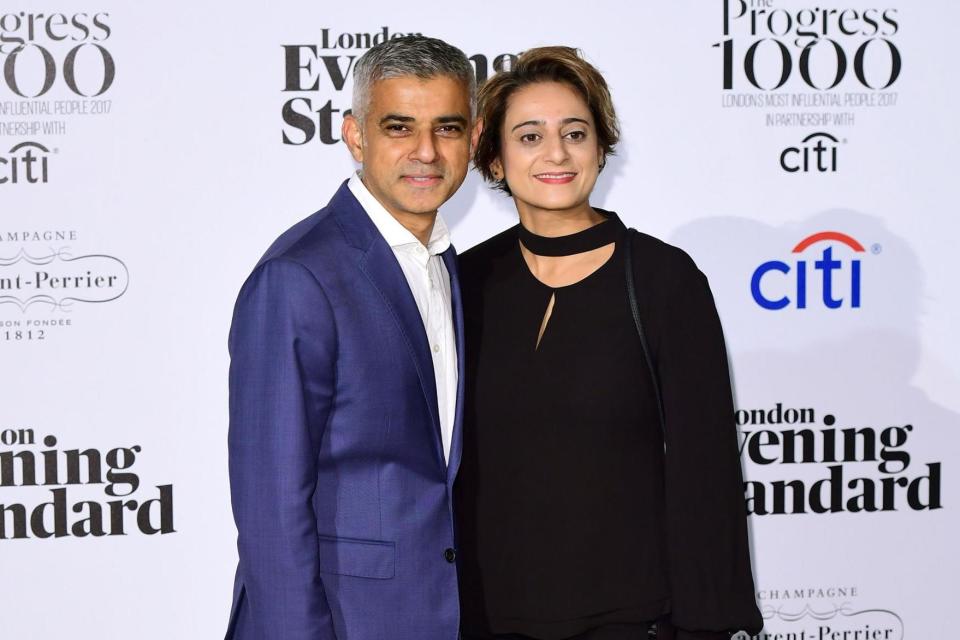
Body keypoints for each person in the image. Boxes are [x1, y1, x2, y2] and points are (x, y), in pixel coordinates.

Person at [454, 47, 763, 640]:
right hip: (487, 616)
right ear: (493, 159)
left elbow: (707, 470)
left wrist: (708, 626)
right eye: (529, 136)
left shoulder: (662, 279)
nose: (556, 153)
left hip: (632, 618)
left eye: (576, 132)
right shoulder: (465, 282)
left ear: (600, 149)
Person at [226, 35, 479, 640]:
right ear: (355, 136)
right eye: (399, 127)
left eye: (447, 128)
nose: (426, 152)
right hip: (339, 621)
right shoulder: (299, 276)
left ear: (473, 139)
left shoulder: (441, 262)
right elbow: (271, 505)